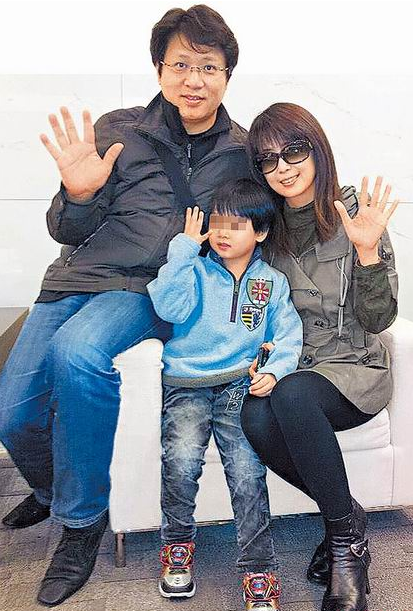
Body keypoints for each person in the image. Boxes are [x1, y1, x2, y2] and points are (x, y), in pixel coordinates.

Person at [0, 5, 252, 607]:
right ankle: (54, 488)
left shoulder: (241, 152)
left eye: (209, 67)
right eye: (181, 64)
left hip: (150, 288)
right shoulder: (120, 128)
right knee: (11, 414)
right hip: (75, 278)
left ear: (227, 76)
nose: (194, 80)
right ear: (159, 68)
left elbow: (260, 227)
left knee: (78, 353)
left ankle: (81, 522)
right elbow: (65, 227)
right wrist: (77, 193)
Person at [241, 102, 399, 611]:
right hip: (296, 365)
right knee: (253, 414)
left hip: (355, 368)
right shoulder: (264, 230)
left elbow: (379, 319)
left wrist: (368, 253)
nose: (283, 167)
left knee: (291, 397)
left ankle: (346, 551)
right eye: (268, 159)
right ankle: (348, 517)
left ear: (317, 149)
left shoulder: (355, 213)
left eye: (294, 150)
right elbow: (255, 305)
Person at [147, 178, 303, 610]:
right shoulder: (194, 270)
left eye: (236, 224)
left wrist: (274, 370)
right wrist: (183, 250)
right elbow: (168, 307)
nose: (222, 232)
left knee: (247, 472)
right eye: (217, 222)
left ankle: (259, 570)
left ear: (261, 232)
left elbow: (288, 334)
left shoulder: (272, 282)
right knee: (181, 462)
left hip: (239, 386)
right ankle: (177, 547)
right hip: (186, 384)